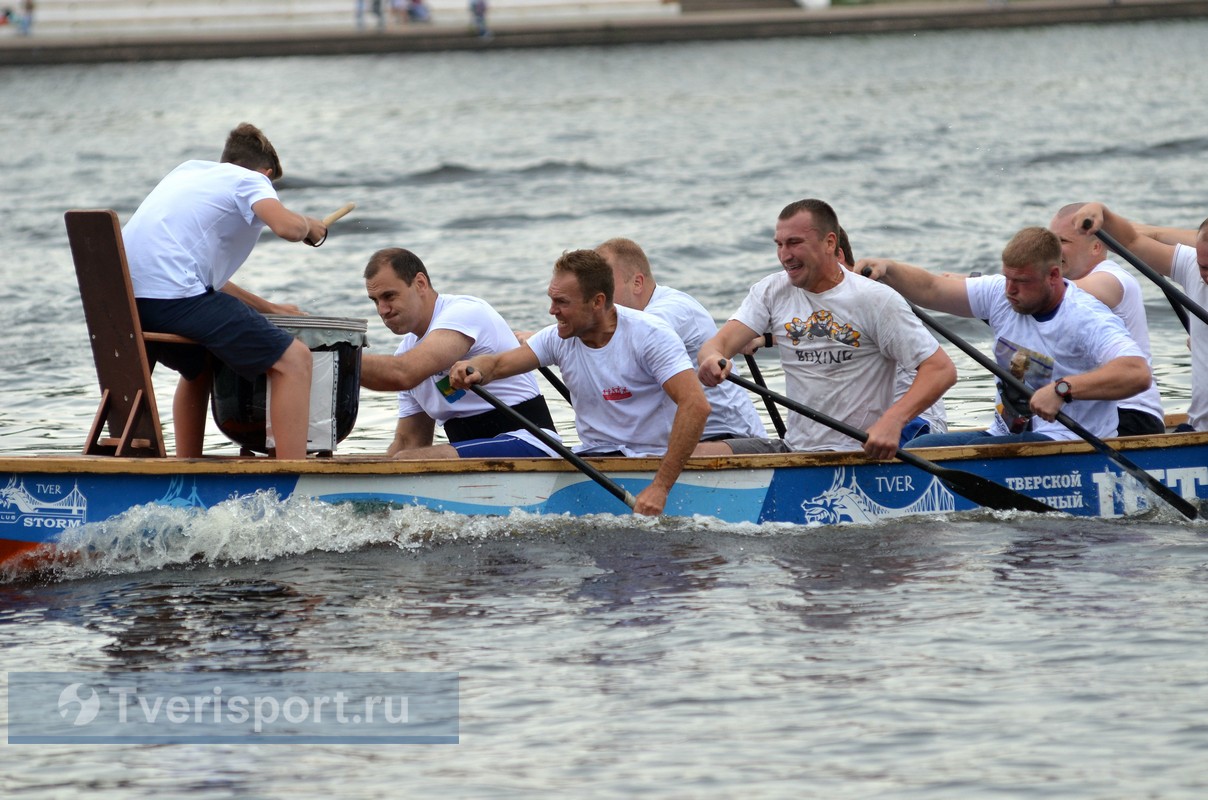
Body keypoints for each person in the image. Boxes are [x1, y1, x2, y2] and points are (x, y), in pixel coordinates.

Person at [450, 249, 711, 516]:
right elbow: (497, 365)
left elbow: (695, 405)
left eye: (562, 302)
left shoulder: (650, 335)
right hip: (594, 460)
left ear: (597, 301)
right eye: (551, 300)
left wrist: (660, 488)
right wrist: (474, 368)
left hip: (650, 464)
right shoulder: (557, 338)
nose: (552, 311)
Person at [696, 199, 956, 460]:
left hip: (861, 453)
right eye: (779, 244)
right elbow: (718, 345)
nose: (785, 255)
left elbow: (940, 369)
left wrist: (894, 420)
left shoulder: (875, 299)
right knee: (688, 455)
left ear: (830, 243)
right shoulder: (770, 291)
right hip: (796, 450)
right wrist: (710, 360)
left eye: (795, 243)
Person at [123, 122, 323, 459]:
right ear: (267, 172)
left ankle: (188, 467)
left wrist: (269, 307)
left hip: (129, 302)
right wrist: (309, 226)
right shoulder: (251, 179)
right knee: (295, 360)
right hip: (172, 300)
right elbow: (287, 227)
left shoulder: (188, 172)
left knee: (200, 364)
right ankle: (294, 479)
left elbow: (204, 282)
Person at [857, 226, 1152, 447]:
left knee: (926, 452)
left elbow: (1137, 372)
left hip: (1066, 444)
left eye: (1021, 282)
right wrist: (889, 269)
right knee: (918, 449)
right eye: (1007, 278)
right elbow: (932, 289)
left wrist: (1062, 389)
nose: (1010, 290)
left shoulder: (1085, 317)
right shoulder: (1001, 293)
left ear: (1052, 276)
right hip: (1006, 436)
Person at [359, 247, 561, 459]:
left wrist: (333, 359)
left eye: (389, 296)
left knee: (406, 460)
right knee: (399, 457)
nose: (382, 310)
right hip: (476, 455)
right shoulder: (405, 352)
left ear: (420, 283)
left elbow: (404, 373)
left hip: (533, 443)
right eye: (375, 300)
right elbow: (409, 443)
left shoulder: (464, 313)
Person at [595, 237, 766, 443]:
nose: (598, 295)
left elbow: (634, 333)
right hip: (675, 438)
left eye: (605, 285)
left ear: (637, 282)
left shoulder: (674, 309)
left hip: (729, 436)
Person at [1075, 203, 1208, 431]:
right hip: (1198, 432)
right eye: (1203, 266)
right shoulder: (1190, 266)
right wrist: (1102, 213)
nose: (1205, 275)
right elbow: (1130, 242)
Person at [1049, 203, 1164, 435]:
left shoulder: (1113, 278)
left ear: (1096, 247)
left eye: (1063, 242)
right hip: (1084, 410)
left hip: (1130, 414)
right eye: (1051, 242)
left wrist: (1005, 289)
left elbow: (1052, 294)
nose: (1052, 252)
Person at [835, 226, 948, 444]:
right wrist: (767, 337)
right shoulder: (824, 305)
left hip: (916, 428)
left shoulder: (874, 297)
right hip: (869, 430)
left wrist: (888, 268)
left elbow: (931, 287)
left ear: (837, 254)